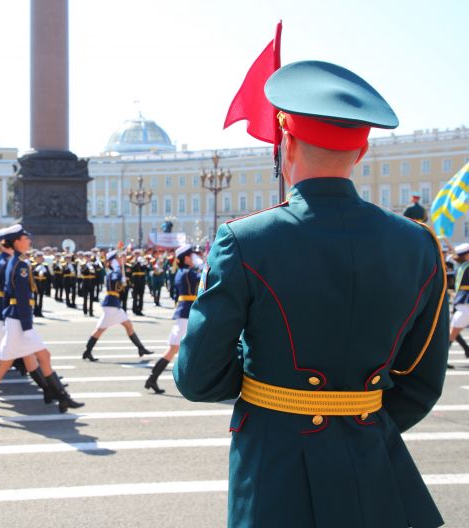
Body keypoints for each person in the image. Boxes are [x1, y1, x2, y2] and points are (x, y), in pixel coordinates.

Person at [175, 60, 449, 527]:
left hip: (273, 466)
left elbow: (198, 376)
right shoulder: (419, 243)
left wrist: (266, 400)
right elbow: (421, 381)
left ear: (287, 143)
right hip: (372, 460)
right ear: (361, 151)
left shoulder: (244, 239)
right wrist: (354, 423)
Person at [0, 225, 83, 420]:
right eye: (25, 238)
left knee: (20, 361)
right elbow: (20, 298)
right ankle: (61, 396)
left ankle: (62, 397)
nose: (29, 241)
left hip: (15, 320)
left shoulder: (15, 262)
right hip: (19, 322)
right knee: (27, 359)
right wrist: (27, 328)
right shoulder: (19, 265)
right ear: (17, 242)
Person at [145, 244, 200, 394]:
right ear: (186, 258)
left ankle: (153, 378)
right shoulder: (187, 273)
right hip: (186, 314)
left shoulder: (183, 272)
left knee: (176, 348)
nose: (194, 258)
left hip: (185, 313)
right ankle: (153, 378)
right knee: (178, 348)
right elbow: (204, 280)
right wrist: (204, 266)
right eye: (192, 256)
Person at [81, 250, 154, 361]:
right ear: (112, 261)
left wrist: (123, 279)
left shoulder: (116, 272)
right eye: (117, 258)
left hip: (114, 304)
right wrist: (118, 272)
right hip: (111, 305)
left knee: (128, 325)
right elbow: (115, 279)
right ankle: (87, 351)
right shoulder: (113, 273)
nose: (120, 259)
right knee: (100, 330)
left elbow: (119, 286)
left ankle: (141, 348)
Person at [447, 243, 469, 368]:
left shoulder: (461, 267)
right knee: (452, 332)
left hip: (463, 303)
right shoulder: (464, 267)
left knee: (452, 332)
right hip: (464, 304)